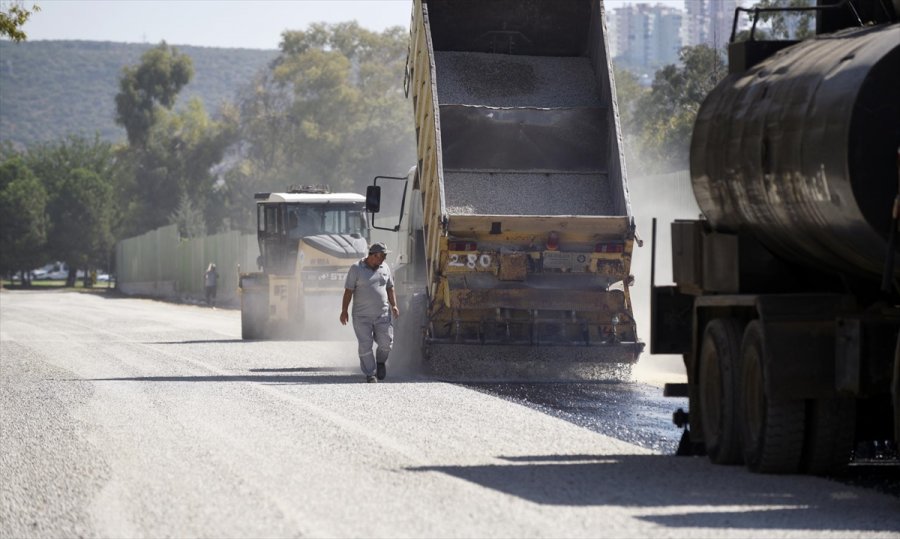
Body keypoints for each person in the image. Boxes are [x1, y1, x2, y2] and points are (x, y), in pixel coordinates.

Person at [340, 242, 400, 383]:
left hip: (383, 314)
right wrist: (344, 311)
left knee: (386, 343)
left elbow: (390, 288)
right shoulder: (356, 269)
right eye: (383, 255)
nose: (384, 258)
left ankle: (380, 362)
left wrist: (394, 305)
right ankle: (370, 373)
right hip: (361, 317)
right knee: (365, 344)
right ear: (373, 255)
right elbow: (348, 291)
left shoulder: (385, 268)